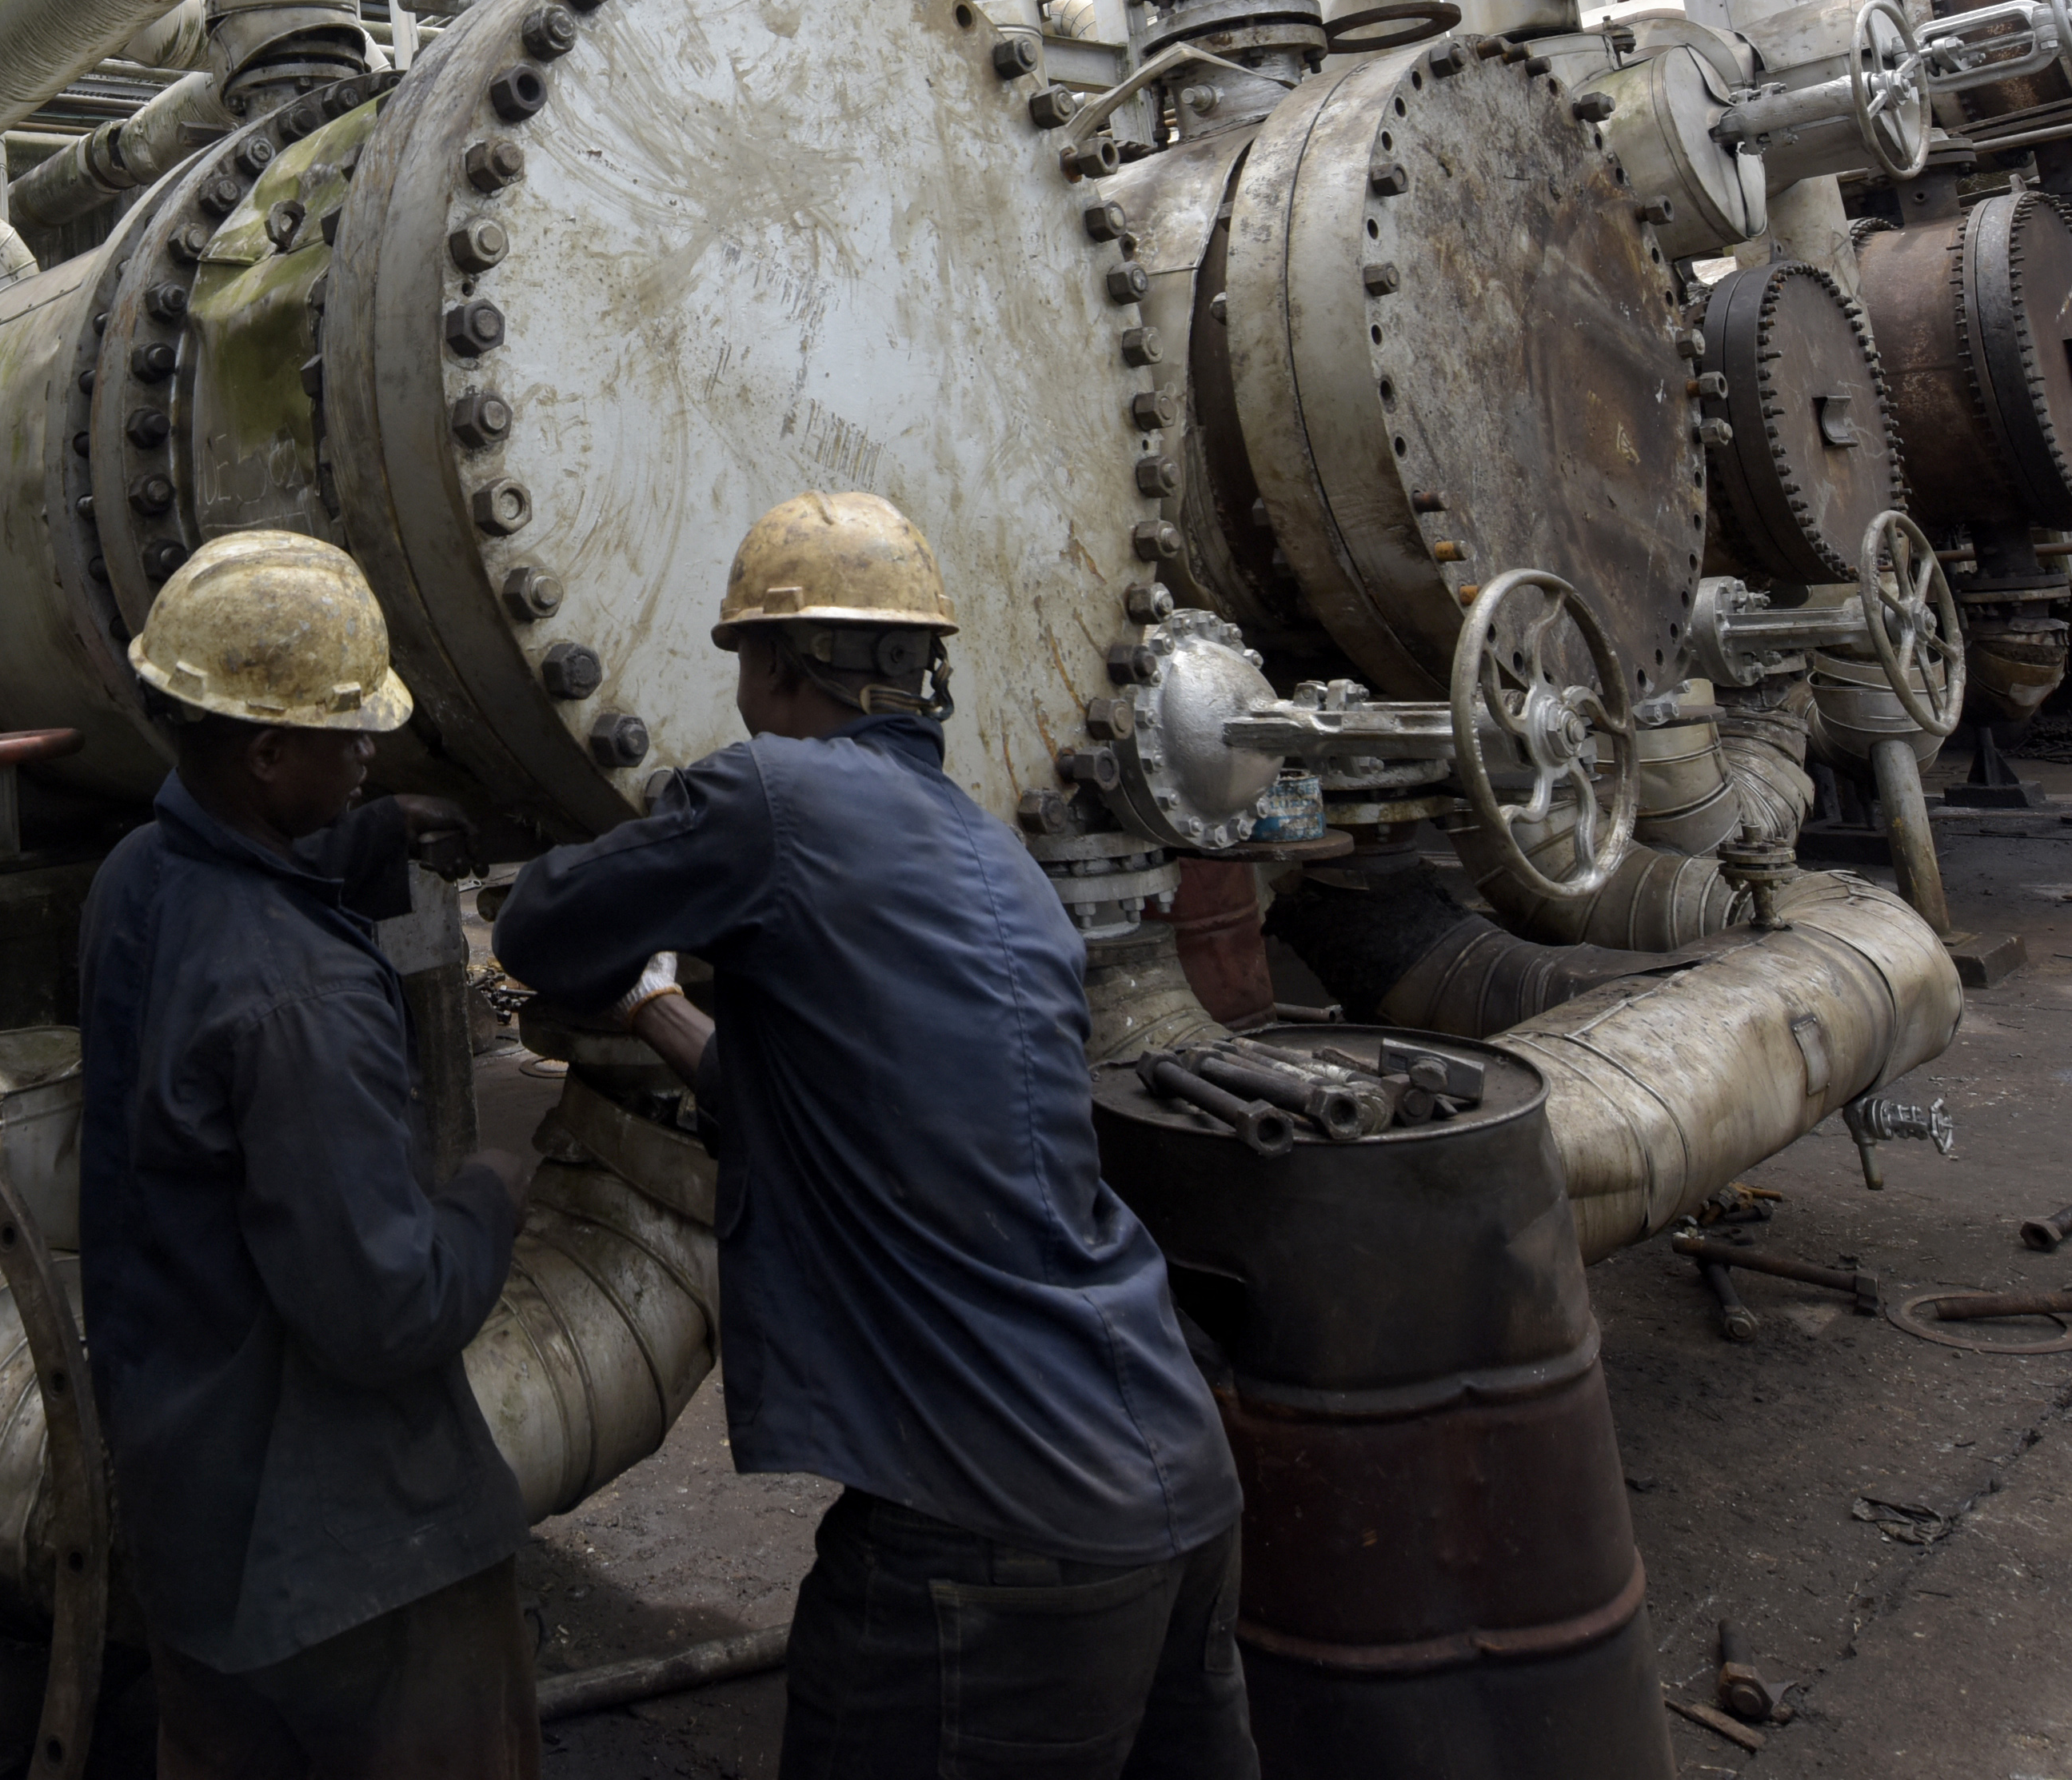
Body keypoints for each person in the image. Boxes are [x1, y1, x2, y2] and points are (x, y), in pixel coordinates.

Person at [495, 490, 1256, 1780]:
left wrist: (639, 912)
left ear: (775, 664)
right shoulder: (993, 854)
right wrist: (666, 1011)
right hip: (1173, 1483)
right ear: (921, 669)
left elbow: (537, 932)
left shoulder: (769, 797)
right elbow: (845, 1099)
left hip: (986, 1522)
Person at [74, 529, 539, 1780]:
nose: (371, 749)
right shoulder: (302, 1002)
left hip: (188, 1505)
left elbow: (240, 872)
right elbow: (386, 1311)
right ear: (268, 752)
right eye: (349, 736)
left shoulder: (133, 879)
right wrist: (494, 1181)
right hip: (344, 1559)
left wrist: (372, 832)